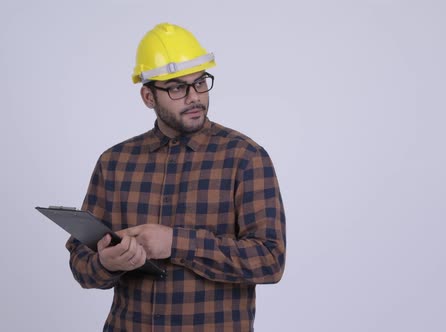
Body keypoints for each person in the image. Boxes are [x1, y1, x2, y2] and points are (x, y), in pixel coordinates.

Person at [66, 22, 286, 331]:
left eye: (200, 83)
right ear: (148, 97)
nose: (195, 97)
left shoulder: (244, 157)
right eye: (177, 87)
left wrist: (175, 243)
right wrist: (105, 264)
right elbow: (80, 260)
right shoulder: (115, 162)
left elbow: (270, 259)